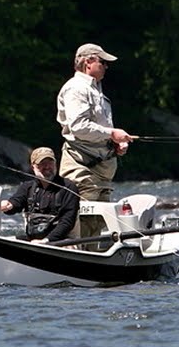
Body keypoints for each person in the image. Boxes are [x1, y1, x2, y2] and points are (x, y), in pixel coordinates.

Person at [56, 43, 134, 242]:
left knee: (96, 224)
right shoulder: (75, 88)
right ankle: (73, 264)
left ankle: (91, 263)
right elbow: (79, 127)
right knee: (79, 222)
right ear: (88, 61)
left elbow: (99, 128)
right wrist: (112, 133)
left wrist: (115, 143)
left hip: (102, 169)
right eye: (103, 62)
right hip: (82, 168)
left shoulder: (96, 89)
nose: (106, 67)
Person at [0, 147, 80, 243]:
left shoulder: (69, 187)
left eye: (50, 162)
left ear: (56, 164)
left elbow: (67, 222)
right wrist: (9, 205)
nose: (47, 167)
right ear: (33, 167)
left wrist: (47, 240)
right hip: (33, 241)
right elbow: (17, 202)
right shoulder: (27, 187)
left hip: (63, 241)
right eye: (42, 163)